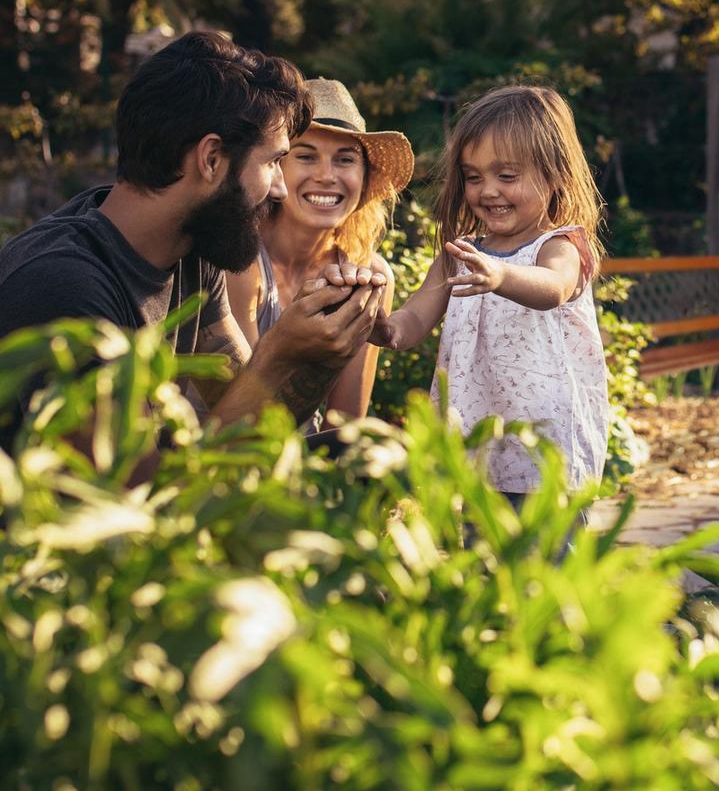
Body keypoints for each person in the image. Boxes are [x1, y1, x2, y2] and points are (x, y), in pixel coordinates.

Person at [0, 32, 386, 459]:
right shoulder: (62, 287)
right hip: (78, 518)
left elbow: (244, 415)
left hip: (161, 501)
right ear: (211, 159)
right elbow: (137, 502)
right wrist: (278, 352)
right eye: (275, 161)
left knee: (365, 452)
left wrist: (322, 347)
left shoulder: (191, 249)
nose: (280, 188)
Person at [368, 85, 609, 507]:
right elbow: (413, 321)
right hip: (478, 445)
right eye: (473, 177)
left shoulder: (561, 245)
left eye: (507, 176)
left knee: (546, 562)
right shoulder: (460, 256)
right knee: (485, 561)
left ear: (554, 176)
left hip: (545, 446)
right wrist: (378, 327)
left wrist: (501, 274)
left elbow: (553, 288)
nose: (488, 190)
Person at [227, 78, 413, 429]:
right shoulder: (239, 261)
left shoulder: (368, 275)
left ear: (365, 177)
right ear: (276, 167)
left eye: (345, 160)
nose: (327, 176)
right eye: (307, 156)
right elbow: (236, 412)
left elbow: (343, 424)